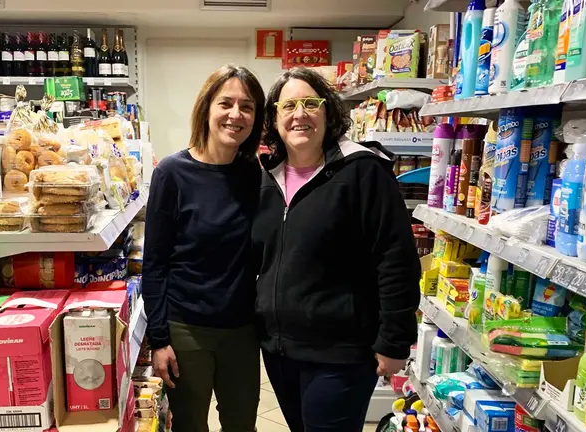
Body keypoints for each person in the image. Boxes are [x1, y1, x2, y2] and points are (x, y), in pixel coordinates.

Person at [252, 67, 421, 431]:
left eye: (311, 104)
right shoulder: (267, 177)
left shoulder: (363, 172)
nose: (300, 114)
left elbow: (396, 259)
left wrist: (394, 340)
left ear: (328, 112)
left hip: (341, 352)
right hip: (280, 350)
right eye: (289, 106)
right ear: (275, 118)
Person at [143, 64, 265, 432]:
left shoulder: (257, 175)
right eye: (225, 103)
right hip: (186, 329)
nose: (235, 114)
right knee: (191, 425)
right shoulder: (172, 172)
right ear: (206, 108)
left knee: (241, 424)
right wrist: (159, 339)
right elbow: (155, 263)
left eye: (247, 106)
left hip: (243, 330)